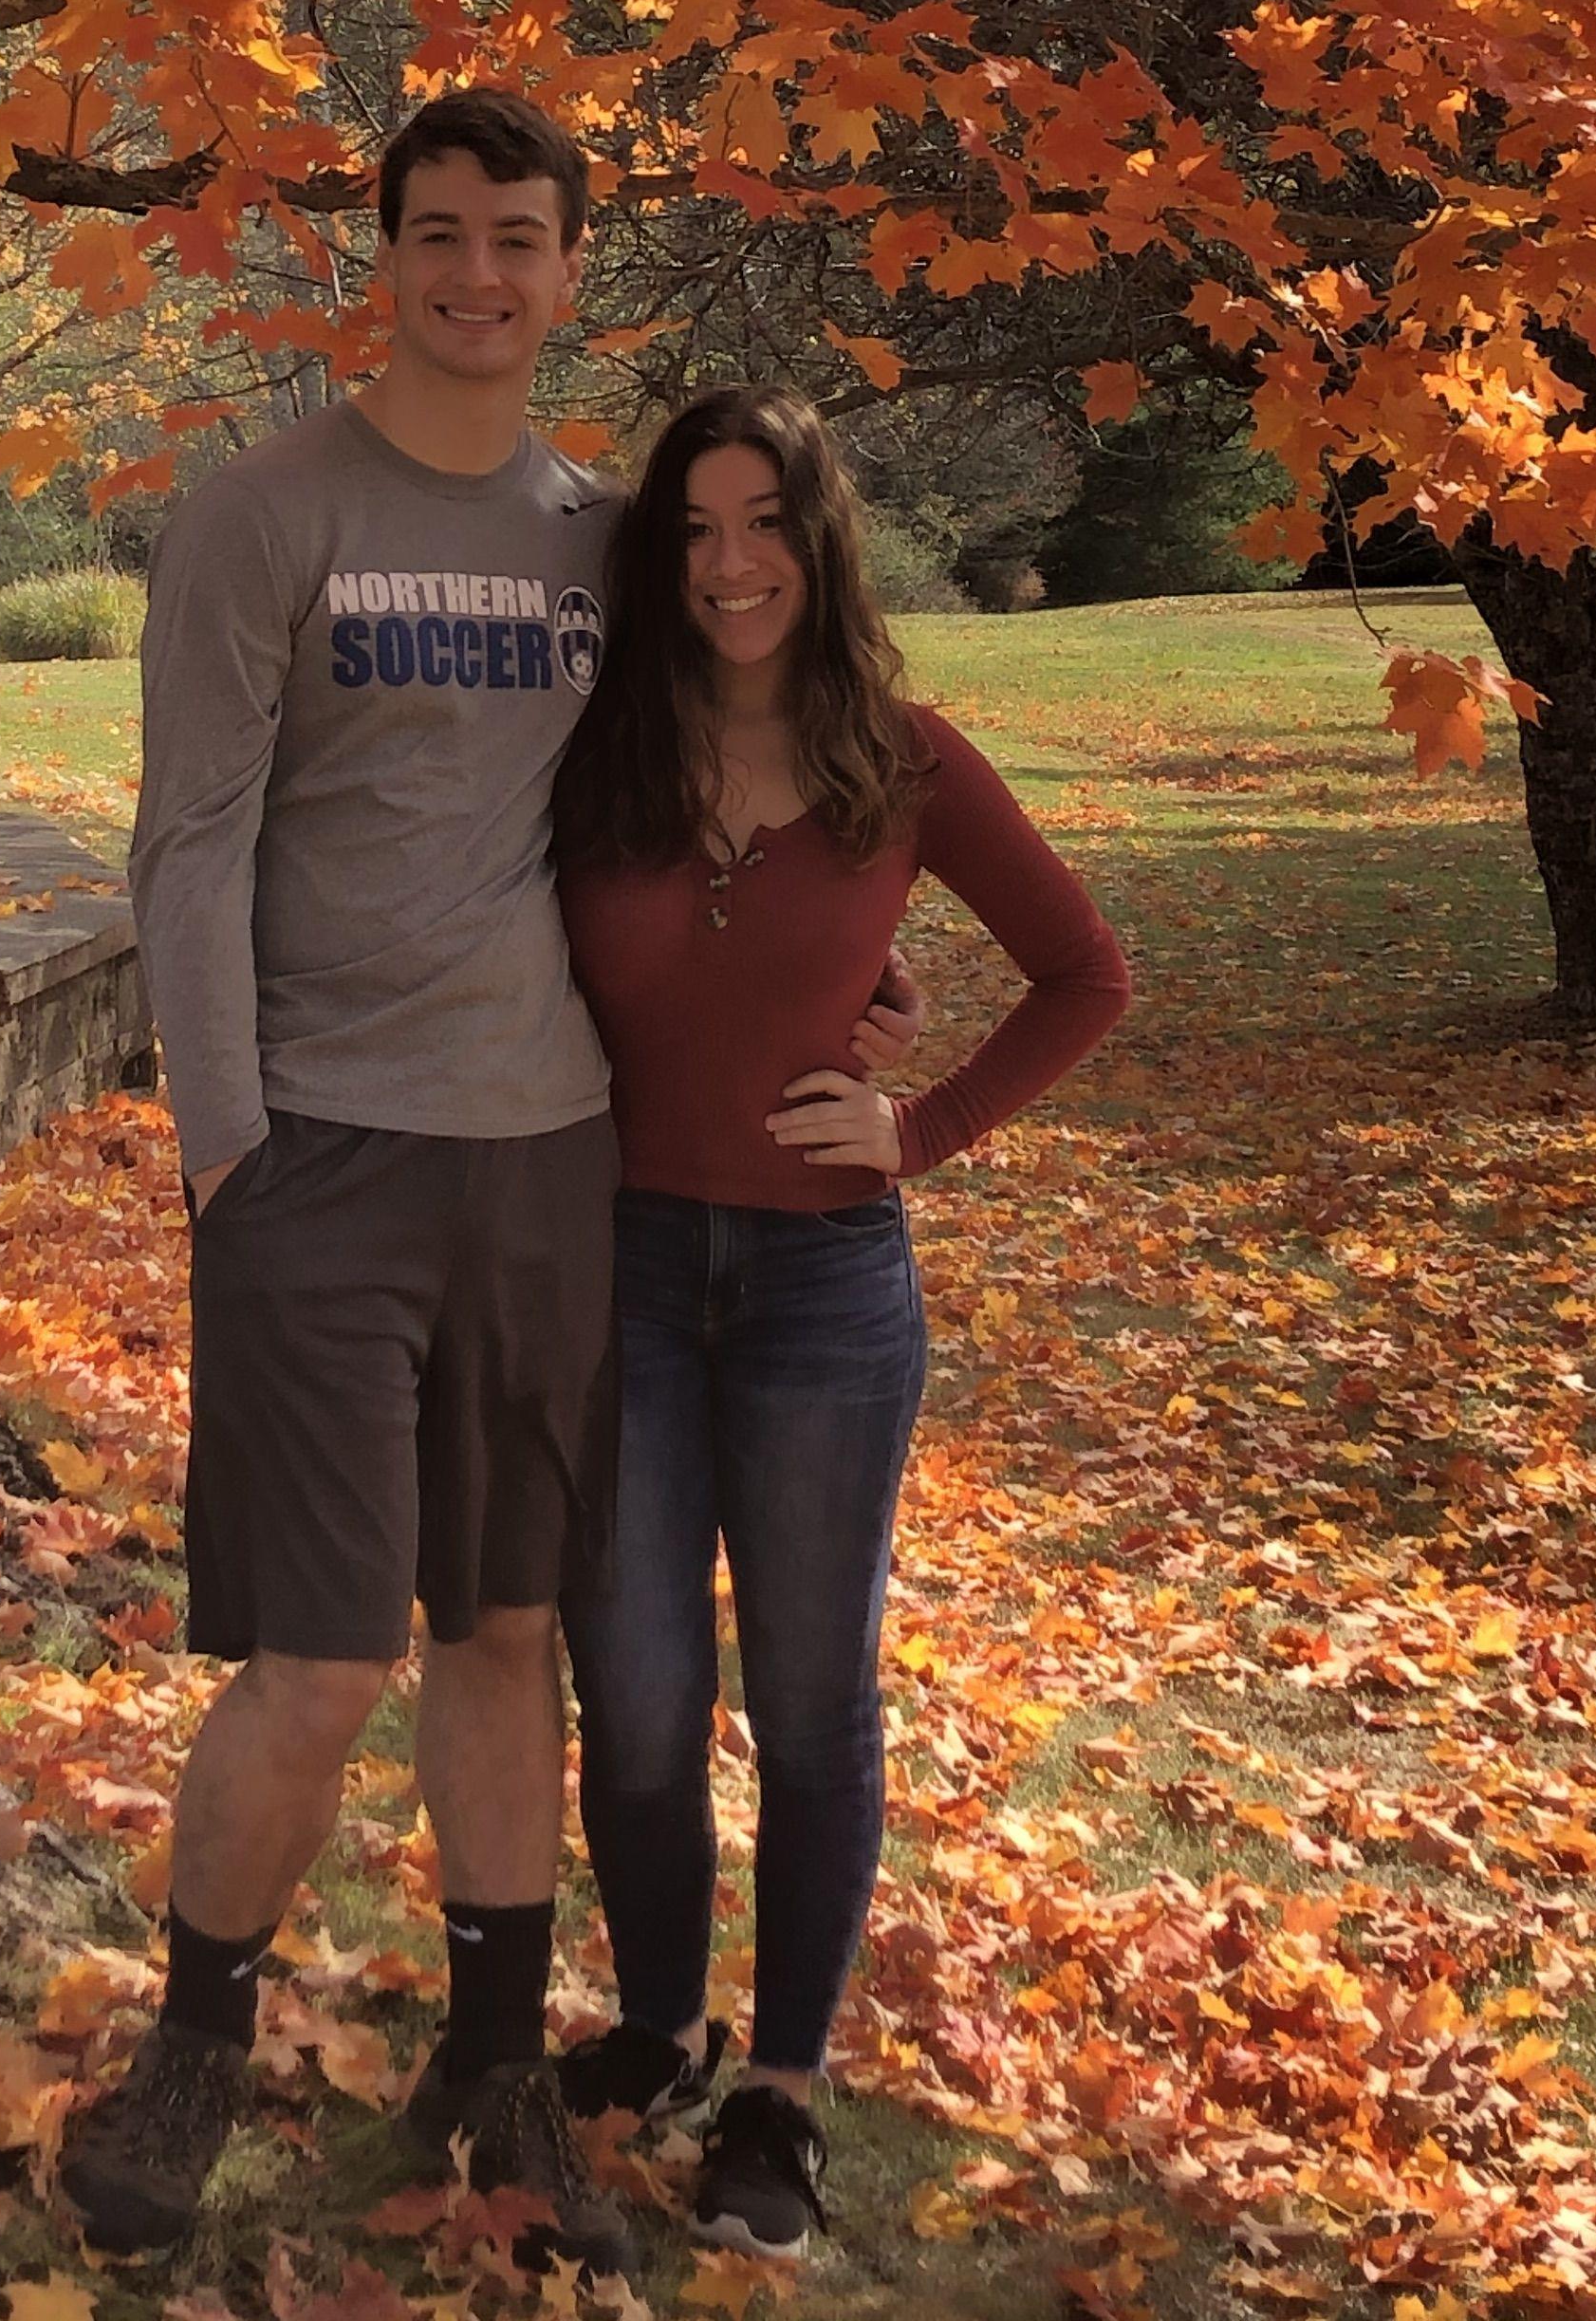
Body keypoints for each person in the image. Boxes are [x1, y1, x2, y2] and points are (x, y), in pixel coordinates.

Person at [58, 87, 641, 2275]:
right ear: (380, 259)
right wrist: (230, 1155)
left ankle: (499, 2060)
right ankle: (195, 2039)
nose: (477, 275)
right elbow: (188, 844)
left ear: (569, 269)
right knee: (317, 1660)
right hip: (319, 1161)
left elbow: (740, 786)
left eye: (518, 238)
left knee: (503, 1631)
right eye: (439, 236)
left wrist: (844, 1006)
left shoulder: (605, 539)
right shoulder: (265, 514)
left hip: (546, 1159)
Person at [545, 383, 1133, 2259]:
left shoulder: (901, 754)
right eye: (699, 529)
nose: (732, 566)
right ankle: (659, 2026)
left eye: (765, 523)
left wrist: (923, 1121)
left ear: (819, 536)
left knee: (811, 1704)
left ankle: (781, 2093)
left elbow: (1085, 973)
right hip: (616, 1269)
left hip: (821, 1289)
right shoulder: (597, 748)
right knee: (634, 1704)